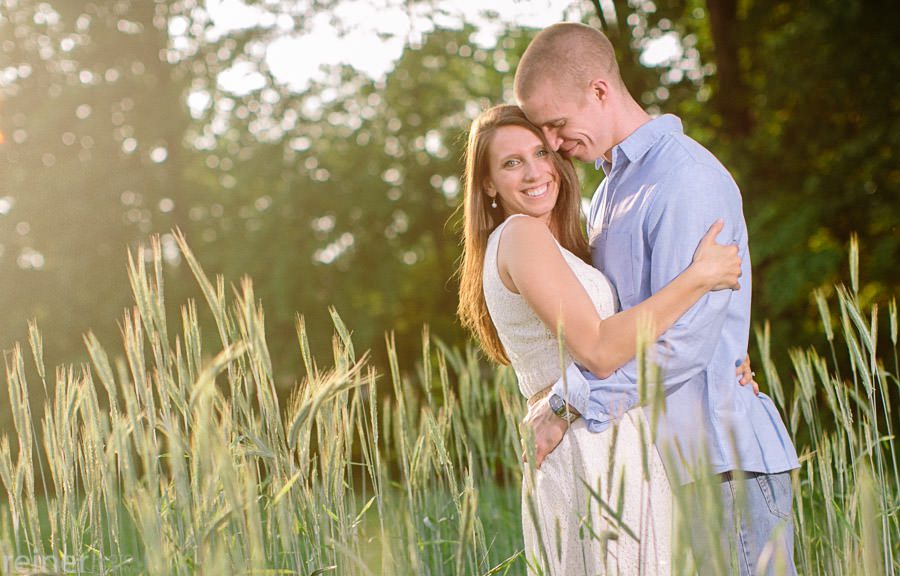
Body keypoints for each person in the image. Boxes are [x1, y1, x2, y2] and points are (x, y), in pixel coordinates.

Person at [513, 22, 799, 575]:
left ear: (599, 91)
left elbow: (683, 345)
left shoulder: (684, 178)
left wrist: (569, 403)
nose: (550, 144)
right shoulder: (608, 194)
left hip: (722, 468)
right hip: (659, 474)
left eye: (557, 124)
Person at [457, 104, 749, 575]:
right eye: (511, 163)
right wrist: (698, 277)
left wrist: (719, 350)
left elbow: (630, 326)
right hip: (585, 441)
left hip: (606, 432)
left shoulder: (555, 243)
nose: (534, 172)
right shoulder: (520, 235)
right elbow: (598, 348)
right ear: (488, 184)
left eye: (539, 153)